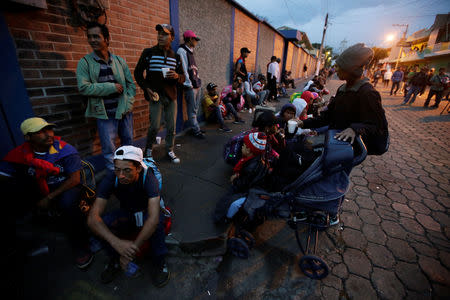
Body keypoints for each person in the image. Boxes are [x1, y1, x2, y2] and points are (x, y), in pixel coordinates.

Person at [0, 117, 93, 269]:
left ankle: (81, 245)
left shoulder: (65, 150)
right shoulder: (21, 154)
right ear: (28, 137)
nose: (49, 134)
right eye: (40, 132)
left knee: (68, 204)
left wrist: (49, 197)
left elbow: (75, 179)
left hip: (65, 189)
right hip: (39, 190)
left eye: (49, 129)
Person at [87, 146, 169, 286]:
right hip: (128, 213)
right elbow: (93, 218)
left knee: (157, 225)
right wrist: (116, 243)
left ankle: (160, 262)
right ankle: (114, 260)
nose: (121, 175)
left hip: (146, 211)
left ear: (138, 168)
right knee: (102, 224)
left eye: (127, 170)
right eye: (117, 169)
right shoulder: (111, 177)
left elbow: (153, 219)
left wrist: (129, 252)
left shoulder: (149, 178)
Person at [299, 43, 388, 157]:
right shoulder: (342, 89)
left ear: (351, 69)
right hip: (335, 144)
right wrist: (303, 123)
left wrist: (354, 129)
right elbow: (328, 118)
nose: (335, 70)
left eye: (339, 66)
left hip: (350, 150)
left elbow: (376, 125)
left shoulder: (368, 93)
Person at [77, 22, 136, 171]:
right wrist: (111, 87)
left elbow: (130, 85)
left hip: (124, 112)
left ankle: (129, 170)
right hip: (104, 115)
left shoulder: (119, 61)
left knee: (128, 144)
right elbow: (84, 88)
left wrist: (128, 104)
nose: (92, 40)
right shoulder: (85, 63)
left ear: (107, 39)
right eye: (89, 37)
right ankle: (114, 176)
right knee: (109, 149)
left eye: (96, 36)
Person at [134, 24, 185, 163]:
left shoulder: (176, 57)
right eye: (159, 33)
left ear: (172, 37)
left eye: (165, 34)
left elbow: (183, 77)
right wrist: (146, 88)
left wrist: (176, 76)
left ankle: (169, 149)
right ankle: (148, 150)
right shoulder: (148, 53)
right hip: (155, 96)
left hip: (171, 96)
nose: (160, 36)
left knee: (172, 127)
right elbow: (138, 73)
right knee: (155, 126)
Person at [214, 132, 270, 224]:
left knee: (229, 202)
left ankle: (226, 218)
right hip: (252, 186)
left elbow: (243, 184)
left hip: (250, 191)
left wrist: (235, 180)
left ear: (248, 150)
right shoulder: (256, 159)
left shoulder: (251, 167)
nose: (241, 147)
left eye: (243, 145)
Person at [177, 30, 204, 139]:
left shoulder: (190, 51)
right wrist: (188, 84)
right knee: (192, 109)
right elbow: (183, 68)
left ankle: (195, 127)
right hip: (190, 86)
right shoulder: (181, 51)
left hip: (196, 83)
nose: (196, 42)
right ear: (189, 39)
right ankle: (196, 130)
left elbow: (194, 69)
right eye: (195, 39)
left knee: (195, 108)